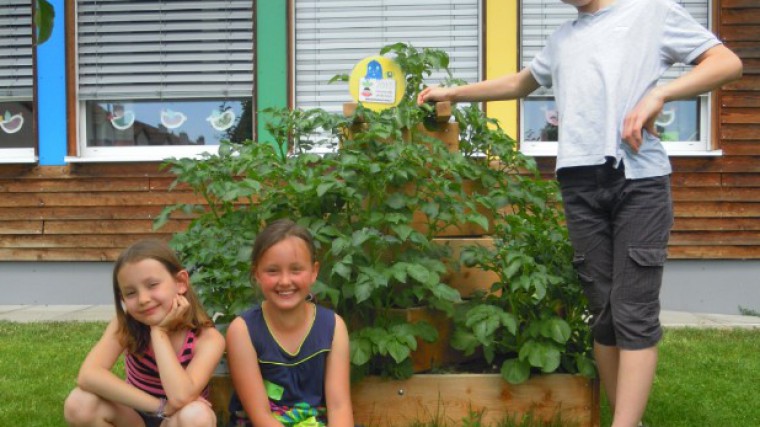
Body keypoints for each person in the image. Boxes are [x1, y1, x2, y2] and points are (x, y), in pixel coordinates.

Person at [417, 1, 742, 426]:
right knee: (602, 311)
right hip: (578, 183)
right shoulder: (563, 39)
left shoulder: (651, 13)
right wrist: (454, 93)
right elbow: (520, 83)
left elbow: (726, 61)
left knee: (632, 309)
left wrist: (659, 93)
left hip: (637, 180)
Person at [64, 239, 226, 427]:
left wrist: (159, 333)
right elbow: (88, 375)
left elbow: (181, 398)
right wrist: (159, 406)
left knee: (197, 415)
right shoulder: (126, 324)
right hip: (135, 415)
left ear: (181, 282)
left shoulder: (207, 338)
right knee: (79, 403)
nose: (143, 299)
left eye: (152, 285)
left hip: (177, 420)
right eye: (131, 293)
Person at [226, 219, 353, 427]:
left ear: (314, 271)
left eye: (296, 270)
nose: (285, 281)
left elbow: (339, 407)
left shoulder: (333, 327)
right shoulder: (242, 331)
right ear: (257, 273)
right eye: (273, 271)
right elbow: (261, 417)